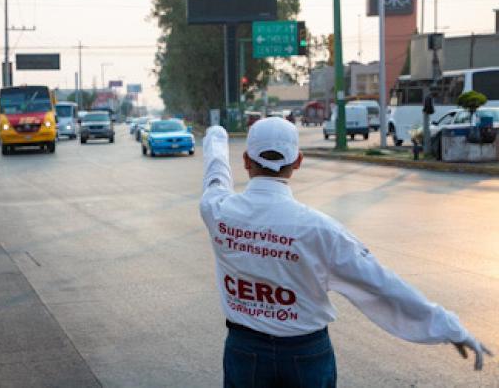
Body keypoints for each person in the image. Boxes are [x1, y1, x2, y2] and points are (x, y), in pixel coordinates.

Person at [200, 117, 491, 387]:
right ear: (298, 162)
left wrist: (216, 133)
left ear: (246, 161)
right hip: (306, 355)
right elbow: (382, 285)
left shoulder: (219, 211)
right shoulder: (321, 230)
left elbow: (215, 172)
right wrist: (449, 326)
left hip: (244, 352)